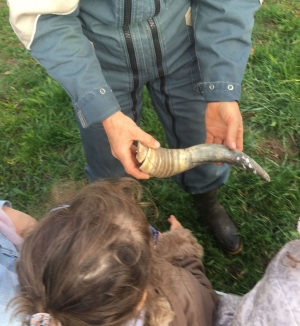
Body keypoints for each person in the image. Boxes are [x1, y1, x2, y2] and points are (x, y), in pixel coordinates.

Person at [7, 0, 262, 254]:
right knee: (109, 164)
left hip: (182, 44)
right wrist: (100, 105)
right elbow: (44, 18)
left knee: (201, 136)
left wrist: (222, 86)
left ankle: (207, 201)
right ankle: (122, 229)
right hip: (101, 62)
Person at [3, 178, 218, 326]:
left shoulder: (48, 314)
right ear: (141, 295)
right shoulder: (177, 293)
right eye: (150, 238)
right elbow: (205, 299)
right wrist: (181, 247)